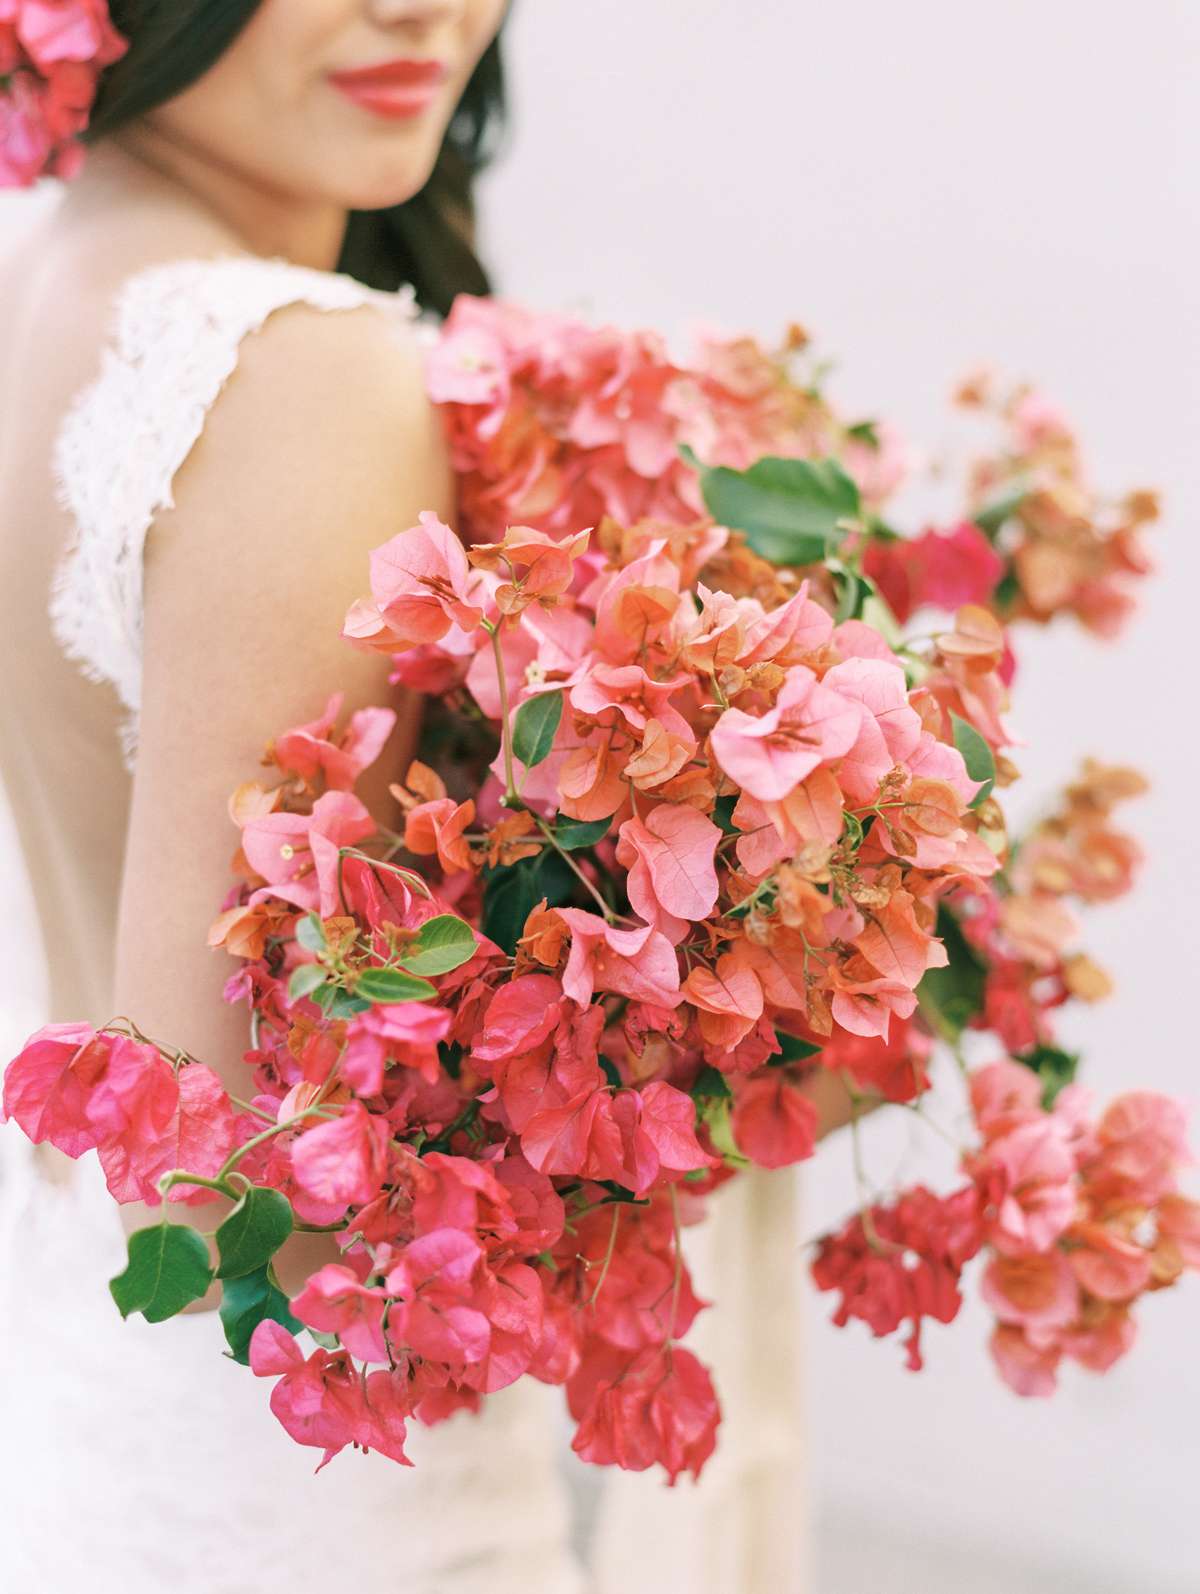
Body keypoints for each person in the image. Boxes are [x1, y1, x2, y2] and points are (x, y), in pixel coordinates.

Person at [0, 3, 851, 1588]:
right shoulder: (299, 380)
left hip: (89, 1441)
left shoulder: (46, 272)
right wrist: (779, 1022)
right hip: (316, 1507)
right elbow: (235, 1201)